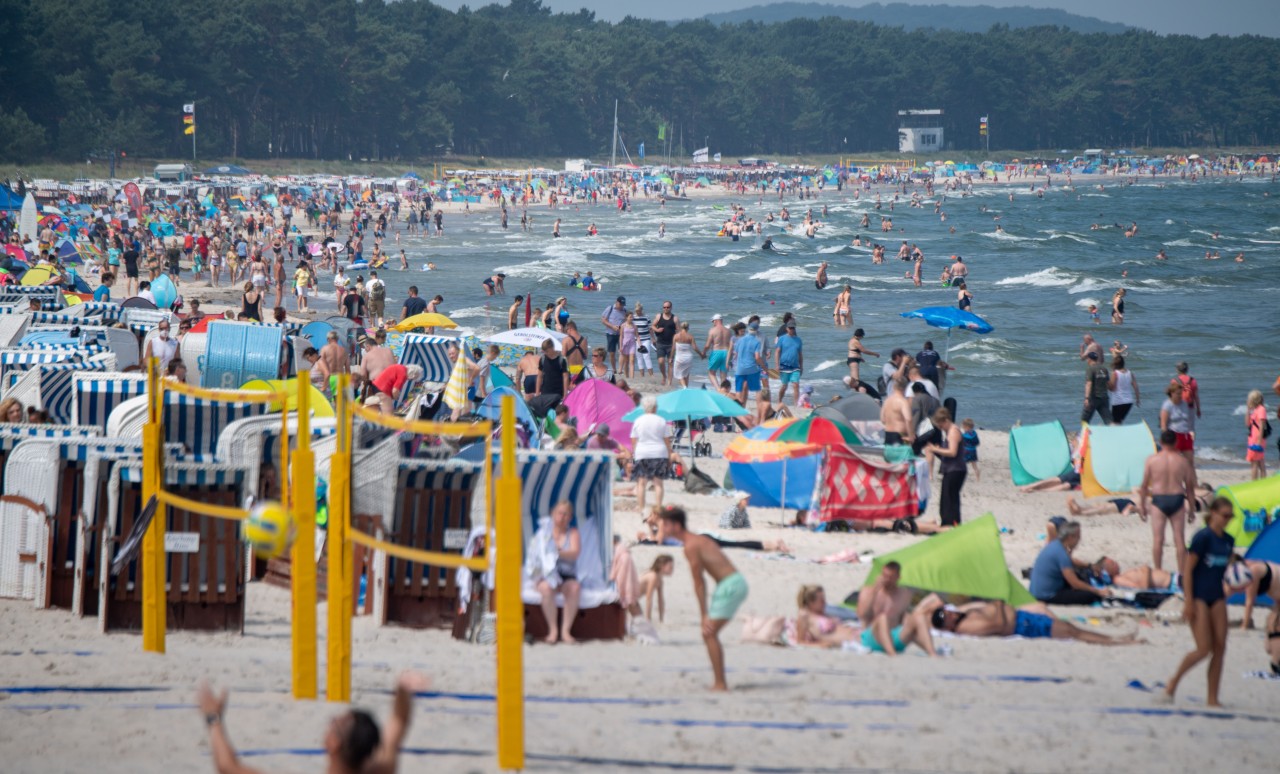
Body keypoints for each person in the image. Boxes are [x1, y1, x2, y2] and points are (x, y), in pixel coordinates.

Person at [196, 670, 427, 774]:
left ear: (333, 744)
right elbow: (399, 720)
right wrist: (402, 689)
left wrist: (213, 719)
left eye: (334, 723)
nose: (329, 722)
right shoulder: (382, 769)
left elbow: (228, 767)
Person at [658, 506, 749, 690]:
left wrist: (703, 615)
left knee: (708, 632)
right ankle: (719, 682)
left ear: (676, 526)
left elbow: (698, 581)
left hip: (731, 585)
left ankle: (720, 684)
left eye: (665, 525)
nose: (662, 528)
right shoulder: (697, 540)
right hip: (731, 584)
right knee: (710, 633)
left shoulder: (690, 546)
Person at [1162, 497, 1236, 707]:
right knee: (1204, 648)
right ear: (1212, 513)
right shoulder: (1202, 538)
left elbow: (1225, 569)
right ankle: (1173, 683)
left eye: (1230, 516)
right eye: (1225, 515)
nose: (1228, 520)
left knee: (1220, 648)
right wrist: (1188, 601)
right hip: (1199, 596)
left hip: (1217, 596)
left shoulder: (1228, 540)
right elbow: (1188, 570)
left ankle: (1212, 698)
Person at [921, 595, 1137, 645]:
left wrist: (998, 606)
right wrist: (999, 606)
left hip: (1020, 618)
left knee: (1070, 628)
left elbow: (930, 604)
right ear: (948, 626)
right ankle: (1115, 641)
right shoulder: (967, 625)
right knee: (1070, 630)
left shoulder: (961, 613)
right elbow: (996, 624)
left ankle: (1113, 638)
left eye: (945, 612)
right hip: (1023, 625)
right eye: (945, 617)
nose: (947, 613)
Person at [527, 501, 581, 644]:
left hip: (565, 575)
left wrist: (555, 553)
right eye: (560, 513)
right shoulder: (544, 533)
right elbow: (535, 554)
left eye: (566, 514)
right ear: (553, 514)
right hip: (546, 574)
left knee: (574, 588)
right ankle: (553, 630)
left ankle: (566, 631)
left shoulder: (573, 533)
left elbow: (575, 553)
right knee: (546, 588)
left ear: (570, 517)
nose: (562, 517)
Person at [1029, 521, 1112, 605]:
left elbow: (1070, 561)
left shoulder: (1055, 545)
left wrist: (1090, 566)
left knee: (1081, 583)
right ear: (1070, 537)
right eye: (1078, 537)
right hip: (1047, 596)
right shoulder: (1061, 553)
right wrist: (1098, 591)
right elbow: (1074, 583)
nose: (1079, 539)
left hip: (1036, 592)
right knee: (1090, 595)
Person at [631, 395, 674, 516]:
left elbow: (634, 440)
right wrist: (669, 455)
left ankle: (641, 508)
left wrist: (635, 453)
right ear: (655, 407)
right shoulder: (661, 420)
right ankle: (659, 507)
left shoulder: (638, 421)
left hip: (642, 452)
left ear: (645, 407)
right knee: (658, 483)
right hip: (659, 453)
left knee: (641, 483)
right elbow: (667, 441)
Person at [924, 408, 966, 527]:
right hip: (952, 469)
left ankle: (950, 524)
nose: (940, 427)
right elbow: (948, 453)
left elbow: (952, 452)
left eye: (941, 424)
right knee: (947, 499)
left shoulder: (953, 431)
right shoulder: (949, 431)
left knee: (949, 499)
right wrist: (938, 449)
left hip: (956, 470)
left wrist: (935, 449)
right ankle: (951, 523)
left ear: (946, 420)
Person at [793, 585, 861, 648]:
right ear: (811, 603)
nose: (825, 603)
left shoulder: (823, 613)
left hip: (857, 634)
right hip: (851, 641)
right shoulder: (805, 615)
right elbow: (800, 642)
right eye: (821, 601)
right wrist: (819, 645)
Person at [857, 561, 912, 633]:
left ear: (898, 577)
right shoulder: (867, 591)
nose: (887, 580)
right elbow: (862, 615)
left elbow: (903, 617)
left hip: (892, 633)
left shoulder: (904, 594)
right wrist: (874, 591)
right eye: (885, 576)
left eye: (891, 577)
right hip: (870, 632)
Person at [732, 321, 766, 407]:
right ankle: (759, 409)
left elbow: (735, 354)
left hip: (740, 369)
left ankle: (739, 409)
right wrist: (764, 367)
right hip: (752, 369)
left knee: (739, 389)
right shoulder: (756, 341)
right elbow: (757, 357)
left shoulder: (740, 340)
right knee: (757, 390)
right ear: (756, 331)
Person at [1159, 382, 1196, 461]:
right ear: (1172, 393)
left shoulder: (1185, 404)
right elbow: (1163, 426)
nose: (1180, 396)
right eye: (1178, 394)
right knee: (1174, 461)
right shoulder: (1167, 405)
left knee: (1190, 462)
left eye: (1181, 393)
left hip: (1186, 436)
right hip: (1174, 436)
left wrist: (1192, 431)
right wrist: (1166, 440)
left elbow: (1189, 420)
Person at [534, 338, 570, 407]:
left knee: (556, 412)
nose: (545, 353)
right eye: (544, 351)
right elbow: (539, 376)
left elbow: (565, 377)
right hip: (545, 392)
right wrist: (537, 392)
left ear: (552, 348)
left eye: (547, 351)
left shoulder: (562, 360)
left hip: (558, 392)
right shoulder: (543, 359)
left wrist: (565, 393)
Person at [880, 375, 915, 447]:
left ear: (893, 387)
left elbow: (882, 419)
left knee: (890, 456)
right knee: (902, 457)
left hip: (888, 434)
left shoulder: (887, 401)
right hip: (900, 435)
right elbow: (908, 419)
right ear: (905, 387)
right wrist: (911, 435)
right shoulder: (903, 402)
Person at [639, 554, 675, 623]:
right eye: (670, 567)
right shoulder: (653, 577)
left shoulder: (660, 580)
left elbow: (660, 600)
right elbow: (649, 599)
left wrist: (661, 619)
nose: (672, 569)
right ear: (662, 566)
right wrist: (648, 619)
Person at [774, 322, 803, 407]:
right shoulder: (782, 339)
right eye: (790, 328)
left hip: (795, 366)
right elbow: (777, 352)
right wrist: (777, 365)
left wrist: (801, 366)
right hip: (784, 366)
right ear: (787, 329)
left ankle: (796, 404)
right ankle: (779, 400)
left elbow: (800, 354)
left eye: (793, 328)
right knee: (784, 386)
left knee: (796, 384)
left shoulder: (798, 340)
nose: (792, 329)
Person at [651, 300, 679, 386]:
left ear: (671, 308)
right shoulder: (659, 316)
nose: (666, 309)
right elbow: (652, 326)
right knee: (661, 361)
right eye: (664, 307)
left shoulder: (675, 318)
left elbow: (679, 330)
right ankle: (664, 376)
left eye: (668, 307)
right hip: (660, 343)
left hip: (671, 344)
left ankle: (669, 382)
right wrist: (657, 330)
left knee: (670, 363)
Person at [1081, 351, 1113, 424]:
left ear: (1089, 359)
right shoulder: (1104, 369)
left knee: (1084, 419)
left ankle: (1085, 434)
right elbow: (1109, 384)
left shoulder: (1090, 369)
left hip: (1093, 398)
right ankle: (1113, 433)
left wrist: (1086, 398)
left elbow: (1089, 383)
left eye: (1087, 359)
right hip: (1104, 398)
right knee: (1108, 420)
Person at [1107, 355, 1139, 424]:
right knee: (1119, 421)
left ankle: (1115, 434)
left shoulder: (1115, 373)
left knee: (1114, 422)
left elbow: (1112, 389)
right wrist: (1137, 399)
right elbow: (1136, 387)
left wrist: (1107, 383)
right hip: (1128, 401)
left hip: (1118, 401)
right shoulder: (1130, 373)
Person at [1245, 389, 1268, 480]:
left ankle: (1255, 483)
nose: (1248, 401)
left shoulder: (1261, 409)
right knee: (1259, 462)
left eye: (1249, 399)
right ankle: (1262, 483)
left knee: (1255, 463)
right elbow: (1247, 424)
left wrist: (1258, 442)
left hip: (1257, 440)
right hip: (1252, 439)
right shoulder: (1255, 410)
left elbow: (1262, 426)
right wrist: (1248, 410)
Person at [600, 296, 627, 372]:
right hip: (610, 333)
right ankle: (614, 369)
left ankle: (620, 369)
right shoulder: (610, 308)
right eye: (621, 304)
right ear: (617, 302)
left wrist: (622, 327)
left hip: (621, 334)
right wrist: (612, 326)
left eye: (623, 304)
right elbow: (603, 320)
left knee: (622, 351)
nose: (622, 306)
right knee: (612, 353)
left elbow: (626, 322)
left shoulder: (624, 310)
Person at [671, 322, 701, 388]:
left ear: (681, 328)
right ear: (688, 328)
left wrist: (671, 357)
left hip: (679, 358)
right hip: (688, 358)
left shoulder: (676, 336)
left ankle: (684, 387)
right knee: (686, 374)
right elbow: (695, 348)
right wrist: (701, 354)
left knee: (679, 374)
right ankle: (686, 388)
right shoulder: (690, 336)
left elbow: (673, 348)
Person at [704, 314, 732, 385]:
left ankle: (718, 389)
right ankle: (723, 391)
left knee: (711, 373)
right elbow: (731, 345)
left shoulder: (712, 330)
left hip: (716, 352)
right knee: (723, 374)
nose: (713, 323)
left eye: (713, 321)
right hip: (726, 353)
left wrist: (703, 353)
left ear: (715, 321)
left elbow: (707, 345)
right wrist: (731, 358)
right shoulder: (728, 331)